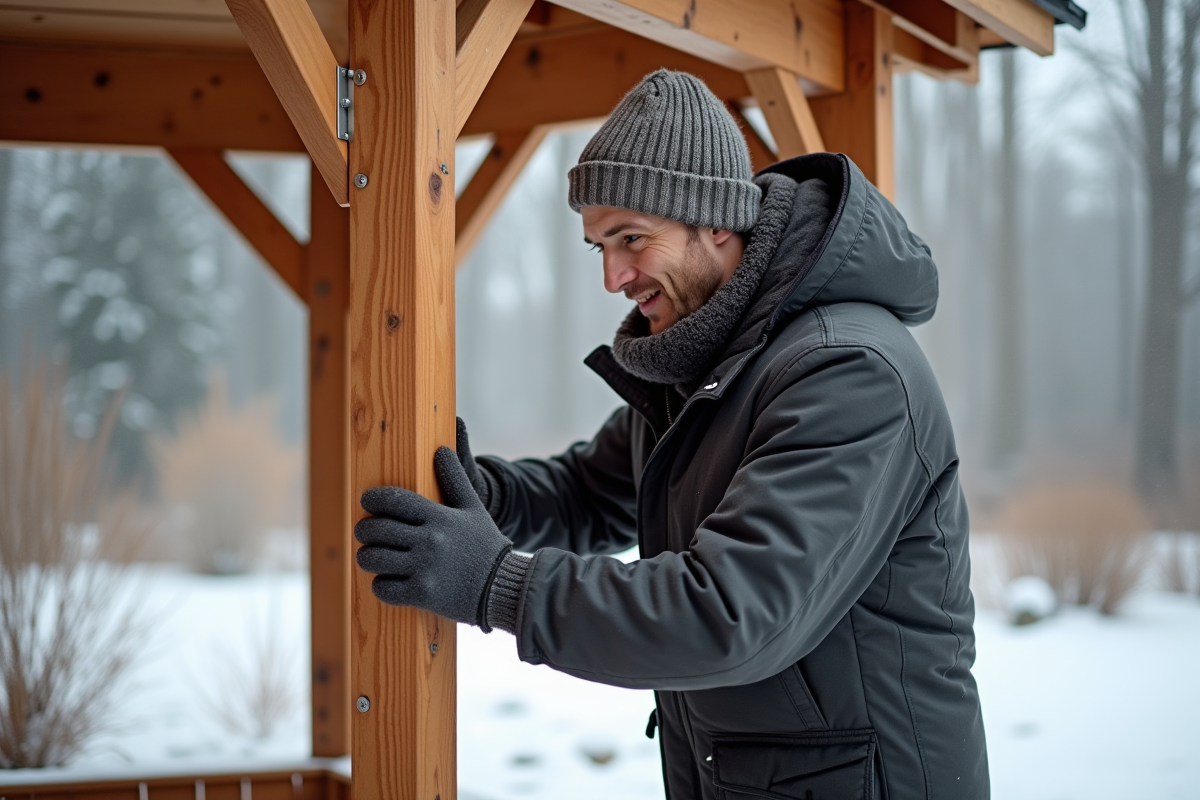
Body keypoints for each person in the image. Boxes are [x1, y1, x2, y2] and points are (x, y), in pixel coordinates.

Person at [353, 69, 988, 799]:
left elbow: (728, 613)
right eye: (599, 246)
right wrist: (478, 496)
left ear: (716, 221)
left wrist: (499, 583)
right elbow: (592, 494)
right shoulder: (711, 361)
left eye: (632, 238)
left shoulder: (847, 373)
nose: (614, 277)